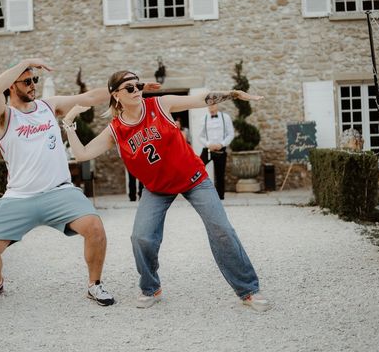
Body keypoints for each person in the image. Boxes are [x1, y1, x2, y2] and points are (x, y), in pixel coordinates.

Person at [62, 70, 271, 312]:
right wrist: (68, 125)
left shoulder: (159, 105)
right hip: (157, 188)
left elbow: (201, 99)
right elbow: (82, 154)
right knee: (141, 237)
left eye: (138, 85)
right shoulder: (116, 130)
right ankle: (151, 287)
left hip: (192, 178)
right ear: (116, 95)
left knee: (221, 229)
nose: (136, 90)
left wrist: (232, 94)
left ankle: (248, 290)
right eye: (129, 88)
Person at [0, 59, 133, 306]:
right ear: (12, 86)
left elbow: (88, 98)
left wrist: (124, 91)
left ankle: (95, 285)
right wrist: (25, 62)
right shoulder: (2, 117)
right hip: (19, 197)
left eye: (35, 79)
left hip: (59, 192)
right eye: (27, 81)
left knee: (95, 228)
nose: (33, 85)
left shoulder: (48, 106)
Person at [199, 103, 235, 200]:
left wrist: (222, 144)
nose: (211, 107)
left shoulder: (225, 117)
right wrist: (208, 144)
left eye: (213, 105)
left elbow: (231, 134)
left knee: (220, 174)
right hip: (208, 150)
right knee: (198, 168)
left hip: (220, 149)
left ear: (217, 105)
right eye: (209, 105)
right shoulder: (204, 118)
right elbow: (200, 136)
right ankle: (198, 193)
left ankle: (220, 197)